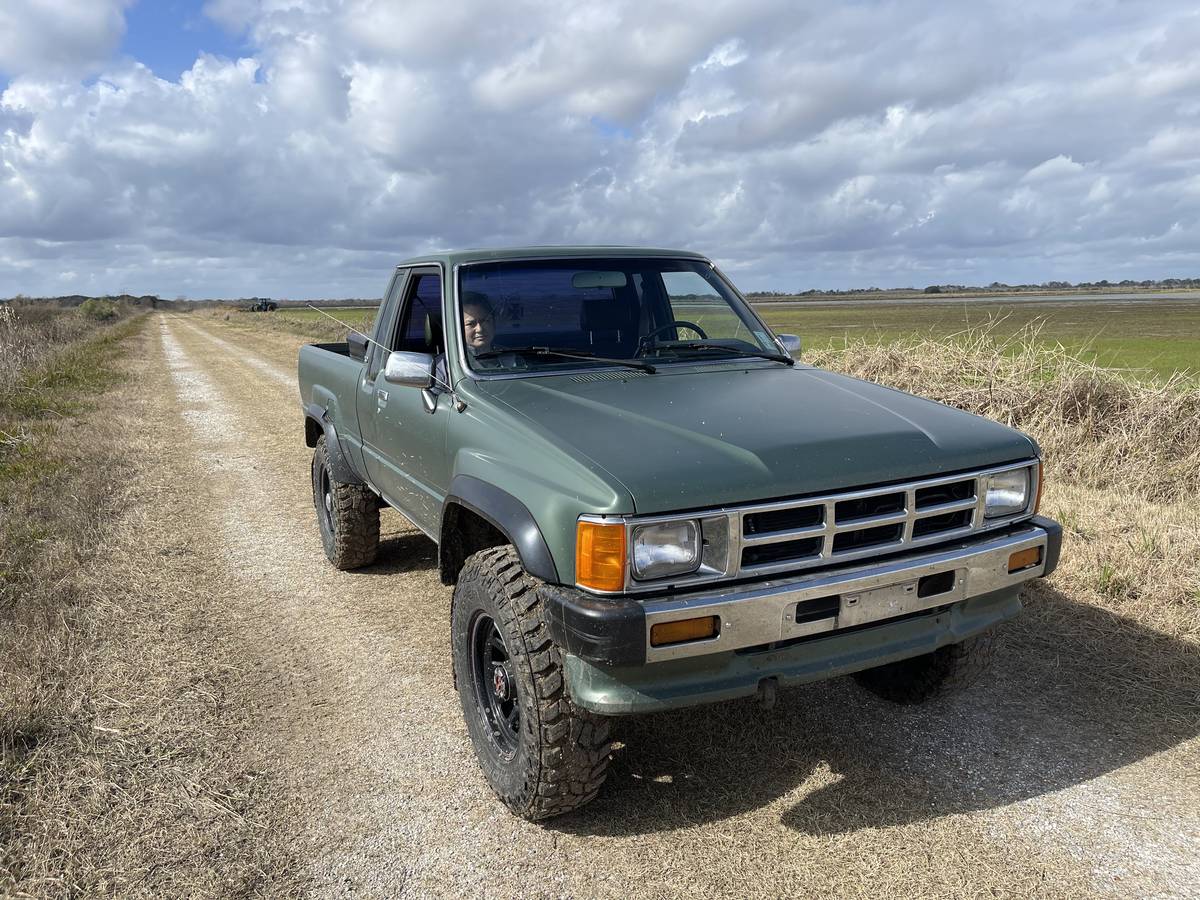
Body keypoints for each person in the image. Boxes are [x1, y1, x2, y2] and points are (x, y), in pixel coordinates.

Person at [461, 292, 495, 356]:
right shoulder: (444, 364)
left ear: (493, 323)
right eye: (470, 324)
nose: (480, 329)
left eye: (485, 321)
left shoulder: (512, 357)